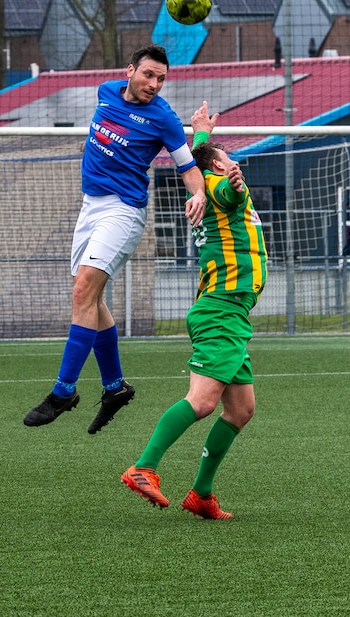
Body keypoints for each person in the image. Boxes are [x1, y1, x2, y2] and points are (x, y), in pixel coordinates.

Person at [23, 44, 208, 434]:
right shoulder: (106, 91)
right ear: (130, 71)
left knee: (82, 293)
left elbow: (188, 165)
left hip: (123, 211)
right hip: (90, 206)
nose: (154, 84)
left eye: (161, 79)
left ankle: (63, 392)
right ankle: (114, 387)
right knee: (90, 298)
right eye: (148, 75)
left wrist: (199, 193)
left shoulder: (163, 118)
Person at [121, 111, 266, 520]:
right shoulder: (220, 185)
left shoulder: (206, 177)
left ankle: (201, 494)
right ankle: (143, 467)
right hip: (221, 310)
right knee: (202, 402)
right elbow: (227, 192)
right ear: (219, 166)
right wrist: (236, 186)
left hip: (228, 311)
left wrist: (201, 132)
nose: (234, 162)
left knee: (240, 410)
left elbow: (199, 159)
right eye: (229, 158)